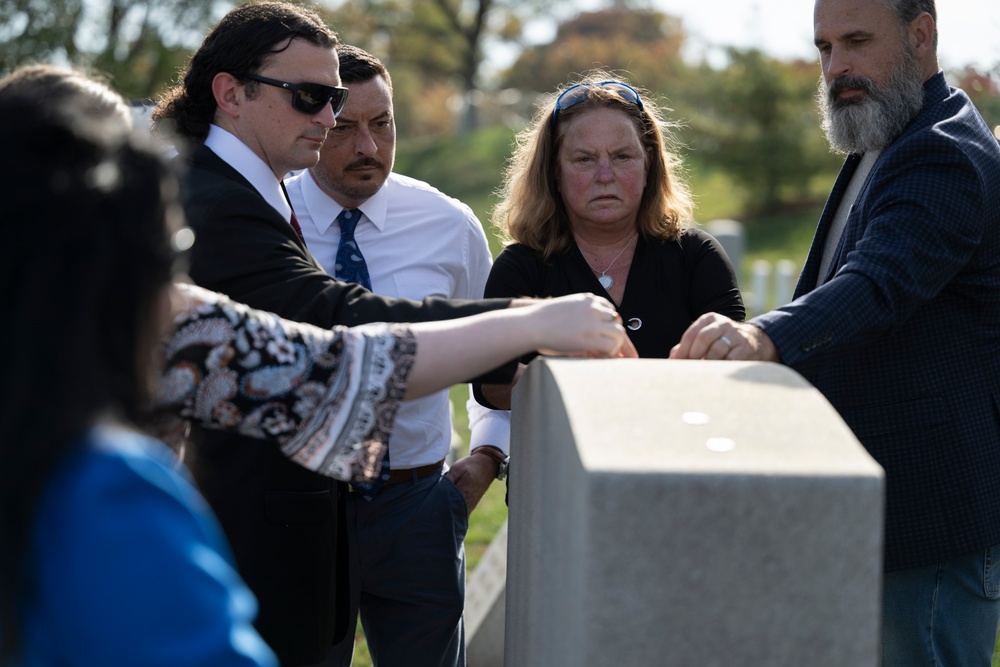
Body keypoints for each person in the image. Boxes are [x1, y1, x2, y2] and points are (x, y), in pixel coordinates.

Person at [0, 64, 631, 667]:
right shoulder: (110, 489)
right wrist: (531, 322)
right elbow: (333, 356)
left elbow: (326, 361)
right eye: (169, 248)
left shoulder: (441, 222)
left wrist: (488, 449)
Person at [150, 3, 627, 663]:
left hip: (369, 512)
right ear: (231, 93)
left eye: (338, 100)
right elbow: (336, 324)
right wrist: (535, 319)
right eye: (312, 97)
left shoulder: (235, 186)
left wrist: (486, 455)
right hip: (251, 534)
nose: (328, 118)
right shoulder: (218, 201)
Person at [670, 0, 1000, 664]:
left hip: (930, 519)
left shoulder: (943, 151)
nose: (837, 67)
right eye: (824, 48)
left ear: (921, 34)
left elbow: (877, 285)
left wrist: (763, 336)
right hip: (881, 511)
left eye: (855, 41)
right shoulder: (888, 137)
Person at [285, 45, 502, 666]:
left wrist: (489, 455)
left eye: (382, 125)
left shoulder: (449, 225)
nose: (368, 147)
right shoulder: (272, 215)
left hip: (417, 508)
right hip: (301, 507)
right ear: (315, 126)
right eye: (346, 127)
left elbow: (492, 361)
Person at [475, 70, 744, 412]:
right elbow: (492, 385)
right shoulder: (522, 266)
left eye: (622, 157)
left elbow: (734, 362)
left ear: (648, 165)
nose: (605, 176)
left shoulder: (696, 256)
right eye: (584, 159)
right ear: (555, 172)